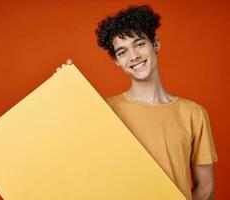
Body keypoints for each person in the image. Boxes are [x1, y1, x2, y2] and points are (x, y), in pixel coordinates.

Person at [59, 5, 217, 200]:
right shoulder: (106, 110)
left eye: (139, 44)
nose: (134, 56)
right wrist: (63, 89)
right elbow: (71, 158)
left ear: (155, 43)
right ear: (117, 61)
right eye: (122, 52)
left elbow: (206, 190)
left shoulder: (194, 114)